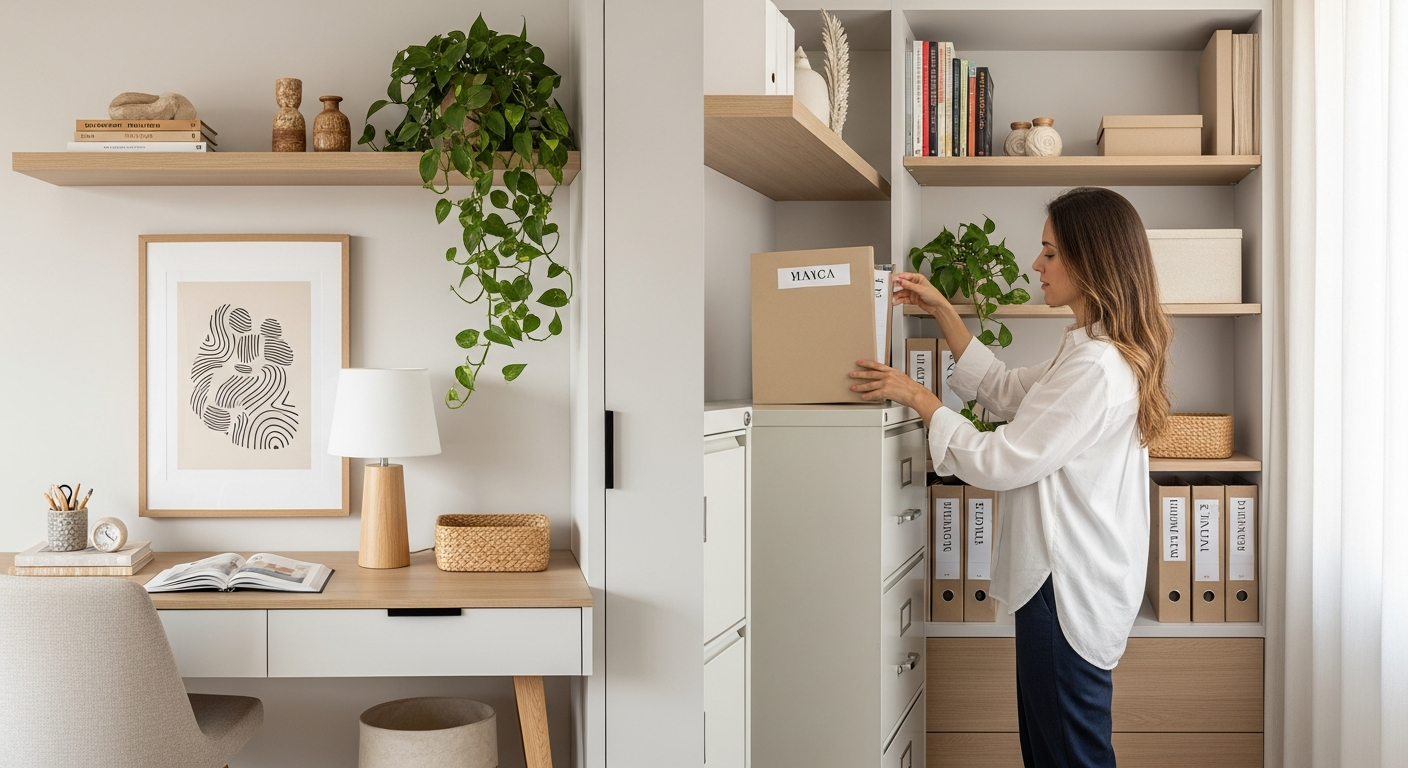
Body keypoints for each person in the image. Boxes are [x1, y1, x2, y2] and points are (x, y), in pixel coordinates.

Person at [848, 187, 1172, 768]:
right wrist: (944, 311)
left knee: (1070, 756)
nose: (1035, 265)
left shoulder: (1096, 367)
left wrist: (920, 397)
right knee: (1051, 751)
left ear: (1090, 261)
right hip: (1059, 581)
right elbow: (1004, 391)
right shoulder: (1085, 351)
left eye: (1049, 252)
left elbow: (1004, 460)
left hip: (1065, 587)